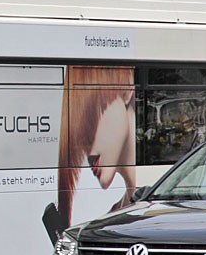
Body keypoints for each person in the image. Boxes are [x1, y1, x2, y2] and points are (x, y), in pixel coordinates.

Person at [43, 66, 137, 243]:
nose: (87, 150)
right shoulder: (108, 220)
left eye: (89, 122)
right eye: (80, 134)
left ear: (126, 88)